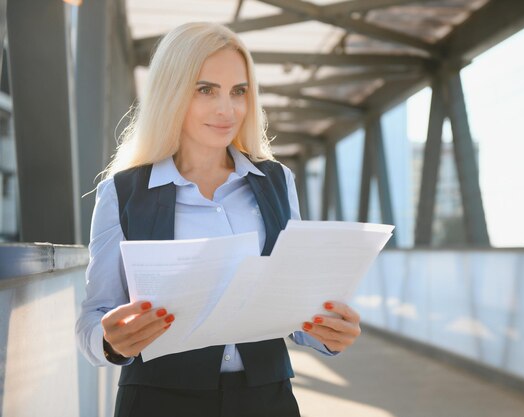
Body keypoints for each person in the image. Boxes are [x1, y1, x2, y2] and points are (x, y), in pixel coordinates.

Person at [75, 22, 362, 417]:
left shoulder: (277, 182)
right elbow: (93, 318)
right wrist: (110, 342)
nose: (227, 110)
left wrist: (327, 332)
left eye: (238, 92)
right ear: (172, 93)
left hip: (268, 399)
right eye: (205, 90)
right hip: (160, 401)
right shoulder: (123, 192)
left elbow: (293, 307)